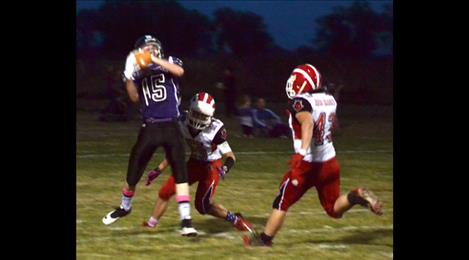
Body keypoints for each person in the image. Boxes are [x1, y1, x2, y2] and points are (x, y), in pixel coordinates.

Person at [243, 64, 383, 247]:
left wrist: (301, 153)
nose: (292, 84)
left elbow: (307, 123)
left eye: (296, 81)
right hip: (330, 162)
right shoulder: (329, 99)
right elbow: (335, 128)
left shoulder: (300, 102)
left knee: (281, 201)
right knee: (334, 209)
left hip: (308, 166)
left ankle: (264, 240)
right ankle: (356, 196)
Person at [102, 34, 197, 236]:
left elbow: (179, 71)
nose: (151, 50)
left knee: (180, 173)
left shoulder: (169, 61)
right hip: (150, 127)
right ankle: (125, 207)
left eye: (153, 47)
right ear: (139, 52)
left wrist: (152, 60)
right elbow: (134, 97)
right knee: (133, 172)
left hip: (172, 124)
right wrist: (128, 77)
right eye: (147, 48)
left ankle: (186, 221)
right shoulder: (138, 72)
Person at [143, 92, 253, 233]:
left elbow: (230, 156)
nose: (198, 119)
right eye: (196, 113)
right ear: (190, 110)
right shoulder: (181, 123)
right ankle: (151, 224)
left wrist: (225, 168)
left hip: (212, 167)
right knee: (166, 190)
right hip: (194, 163)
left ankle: (235, 220)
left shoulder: (215, 130)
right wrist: (159, 169)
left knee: (202, 206)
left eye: (203, 116)